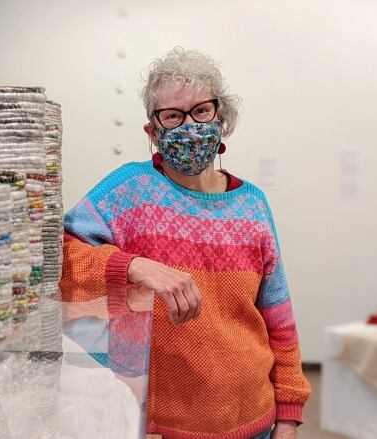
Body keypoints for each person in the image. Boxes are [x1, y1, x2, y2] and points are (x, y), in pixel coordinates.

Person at [60, 47, 310, 439]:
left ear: (221, 119)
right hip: (159, 422)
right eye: (173, 116)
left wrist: (289, 414)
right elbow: (59, 258)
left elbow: (278, 316)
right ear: (152, 131)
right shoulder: (129, 189)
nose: (190, 125)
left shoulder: (253, 203)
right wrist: (134, 266)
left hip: (253, 416)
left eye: (201, 111)